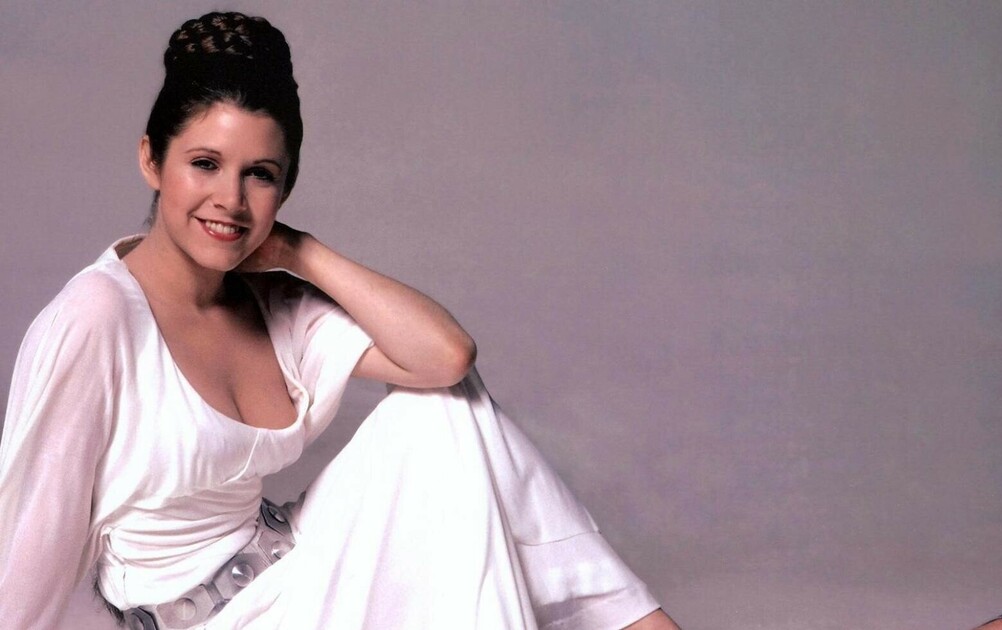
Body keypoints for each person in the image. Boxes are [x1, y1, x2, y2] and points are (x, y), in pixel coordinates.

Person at [0, 11, 679, 630]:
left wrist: (300, 252)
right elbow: (25, 556)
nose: (230, 200)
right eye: (204, 164)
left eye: (260, 175)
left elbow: (445, 357)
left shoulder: (272, 302)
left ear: (285, 188)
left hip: (296, 577)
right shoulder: (97, 317)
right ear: (152, 159)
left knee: (443, 410)